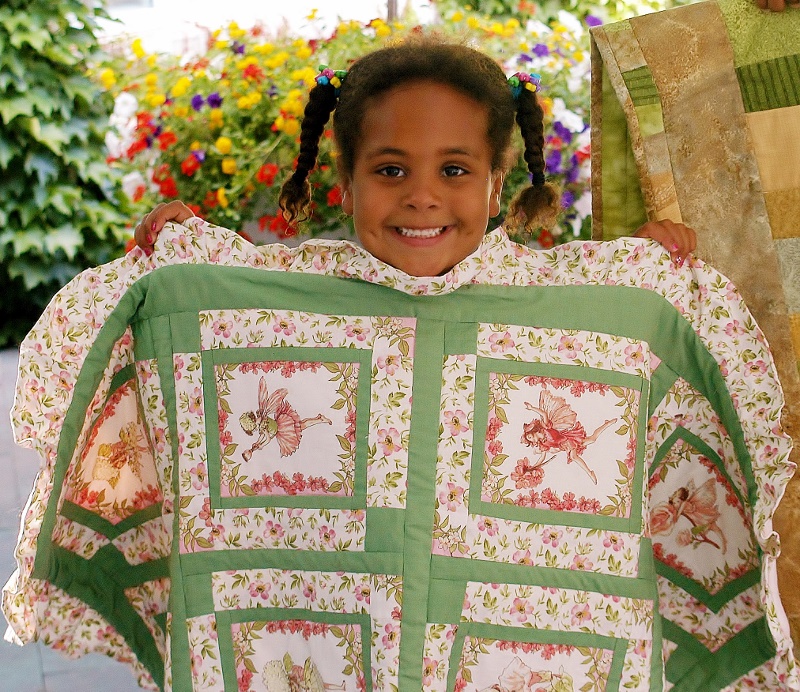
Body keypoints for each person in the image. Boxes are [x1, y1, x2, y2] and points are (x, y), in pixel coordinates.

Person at [6, 33, 795, 692]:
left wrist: (649, 278)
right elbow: (184, 310)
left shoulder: (584, 308)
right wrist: (177, 258)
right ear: (346, 184)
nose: (422, 196)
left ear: (496, 187)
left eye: (454, 170)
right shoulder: (280, 301)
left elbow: (642, 342)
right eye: (391, 170)